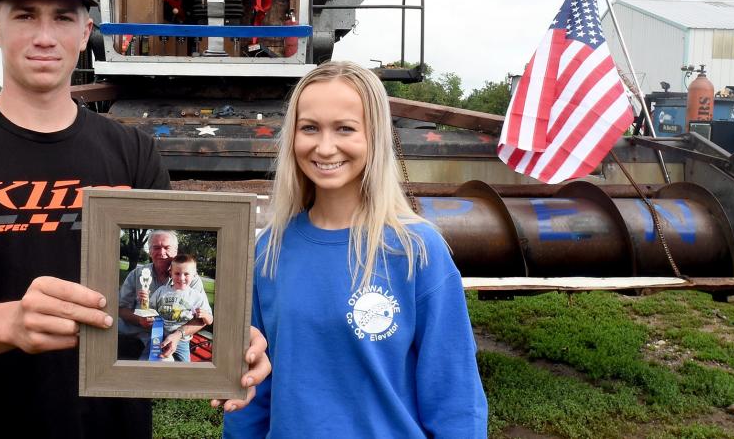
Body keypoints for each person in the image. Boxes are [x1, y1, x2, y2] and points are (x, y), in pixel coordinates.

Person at [0, 0, 269, 439]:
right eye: (25, 15)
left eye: (63, 18)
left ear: (86, 32)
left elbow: (162, 293)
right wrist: (13, 324)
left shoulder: (133, 152)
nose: (44, 36)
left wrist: (229, 341)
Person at [222, 61, 487, 439]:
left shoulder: (416, 251)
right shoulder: (269, 251)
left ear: (374, 137)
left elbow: (456, 399)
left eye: (345, 128)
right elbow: (251, 389)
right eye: (309, 127)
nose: (324, 147)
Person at [116, 229, 210, 360]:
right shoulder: (137, 275)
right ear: (149, 251)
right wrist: (139, 319)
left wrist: (178, 334)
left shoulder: (191, 280)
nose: (161, 252)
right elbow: (120, 309)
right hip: (134, 337)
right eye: (156, 247)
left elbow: (204, 318)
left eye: (167, 247)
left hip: (175, 340)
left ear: (175, 251)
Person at [145, 254, 212, 362]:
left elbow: (209, 321)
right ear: (170, 273)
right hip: (158, 336)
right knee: (147, 360)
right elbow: (150, 309)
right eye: (177, 273)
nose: (181, 278)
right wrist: (144, 300)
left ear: (194, 275)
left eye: (186, 274)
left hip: (183, 341)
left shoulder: (196, 296)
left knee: (184, 370)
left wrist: (204, 315)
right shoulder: (161, 291)